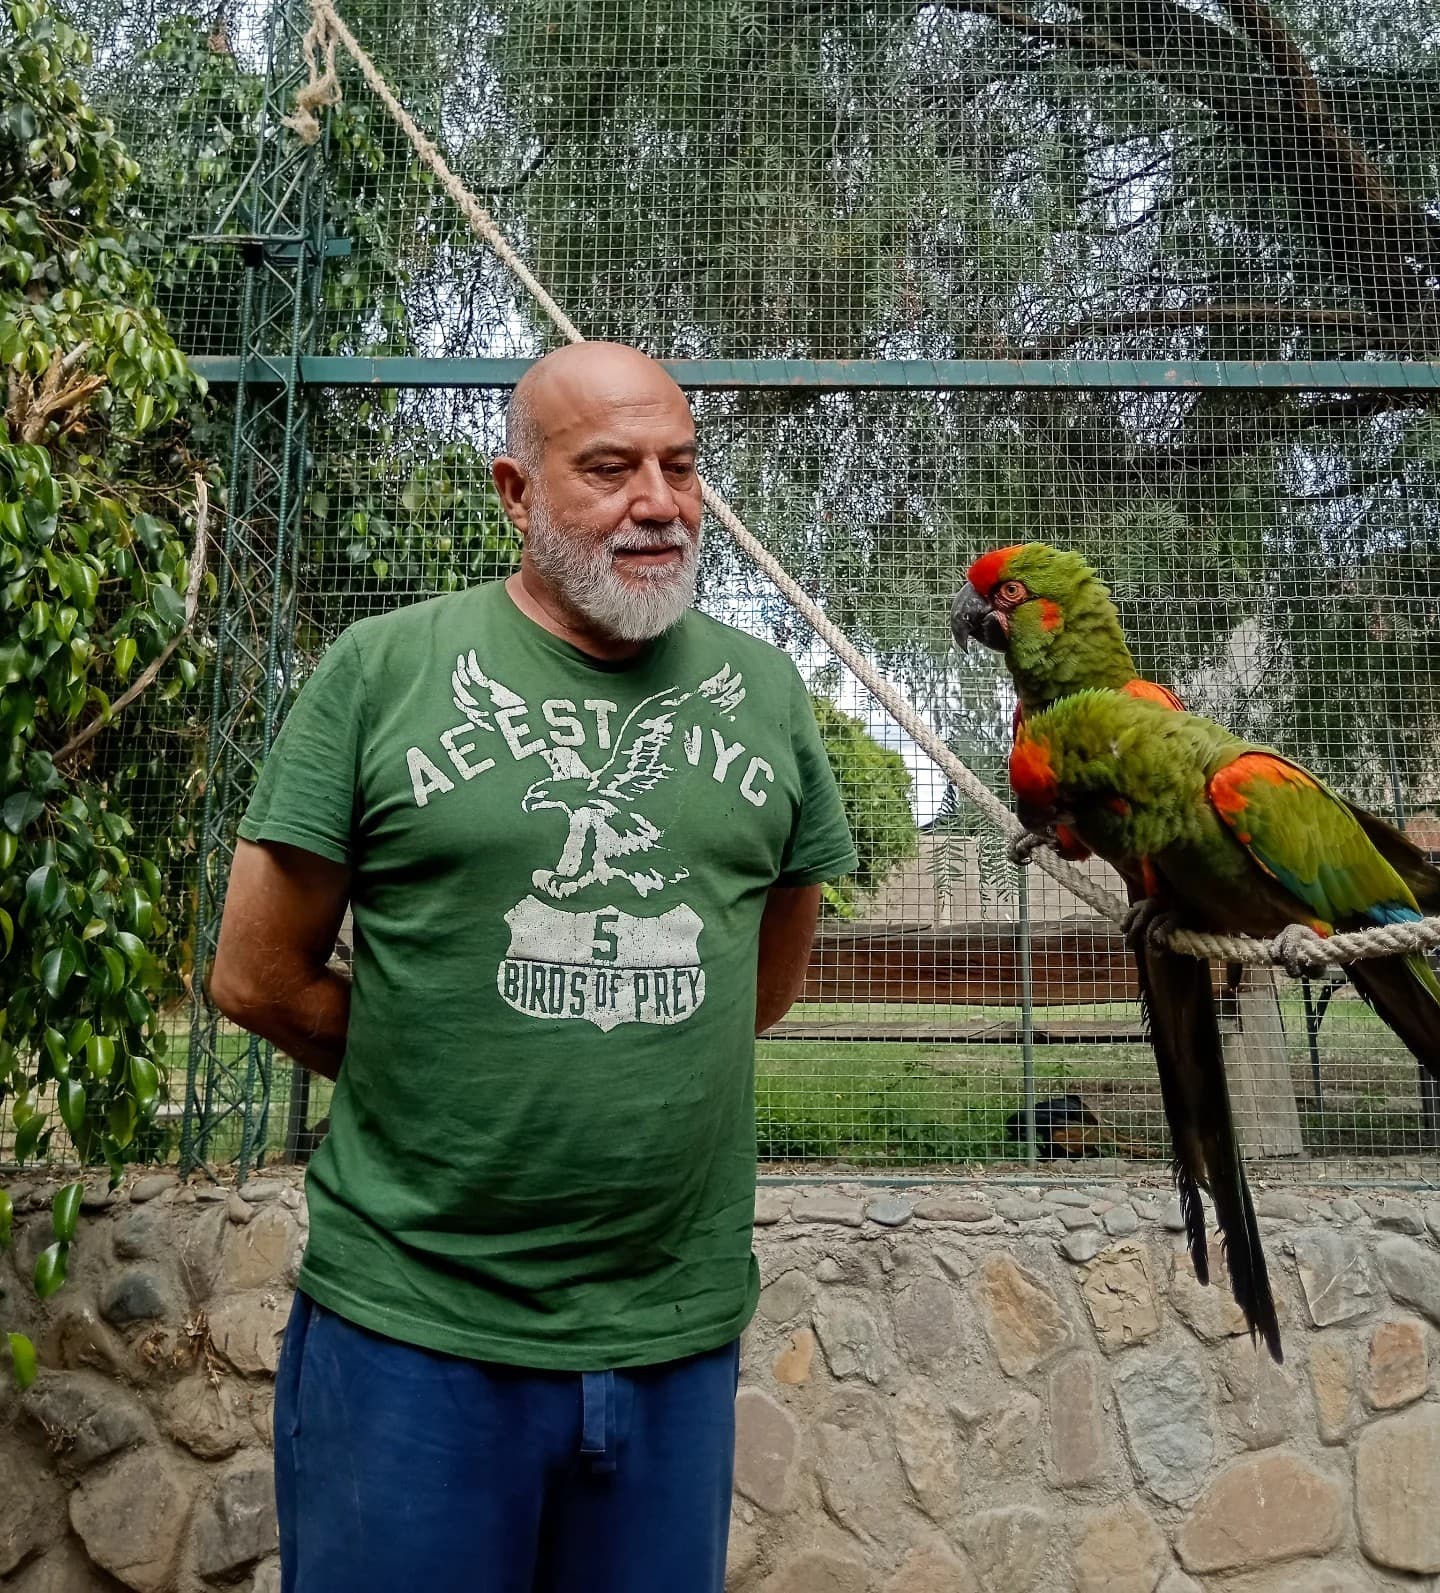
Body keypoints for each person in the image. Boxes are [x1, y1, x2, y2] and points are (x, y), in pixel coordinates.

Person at [209, 342, 857, 1593]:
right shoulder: (384, 670)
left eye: (681, 467)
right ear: (516, 491)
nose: (659, 503)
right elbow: (254, 974)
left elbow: (761, 987)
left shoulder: (766, 692)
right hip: (413, 1331)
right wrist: (435, 1062)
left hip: (672, 1336)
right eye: (610, 469)